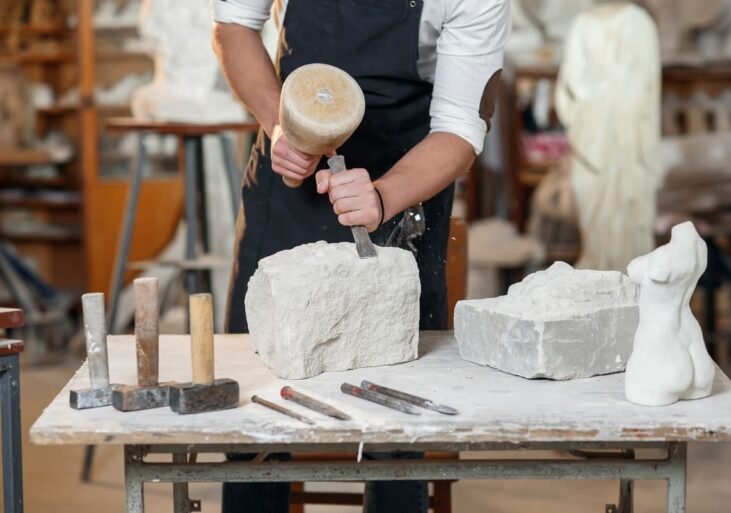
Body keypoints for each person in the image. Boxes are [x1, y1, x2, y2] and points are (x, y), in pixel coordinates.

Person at [211, 0, 509, 511]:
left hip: (407, 173)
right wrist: (283, 126)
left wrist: (383, 196)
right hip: (290, 183)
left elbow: (461, 127)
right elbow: (234, 25)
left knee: (398, 398)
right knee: (259, 404)